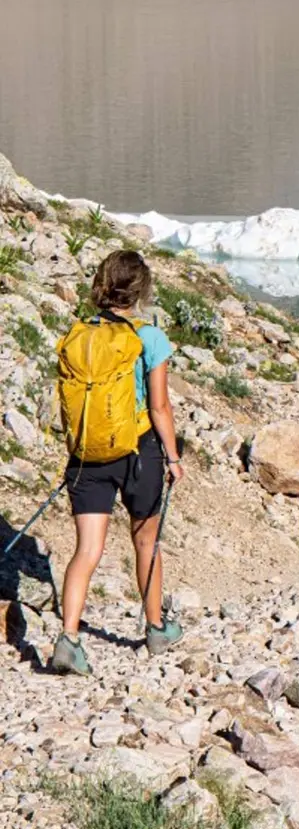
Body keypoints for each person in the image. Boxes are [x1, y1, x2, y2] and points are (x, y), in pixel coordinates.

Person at [51, 250, 185, 676]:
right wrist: (174, 456)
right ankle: (156, 629)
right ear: (141, 290)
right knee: (146, 541)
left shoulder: (79, 333)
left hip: (87, 455)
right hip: (138, 453)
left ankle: (69, 639)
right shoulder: (150, 338)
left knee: (86, 550)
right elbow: (160, 406)